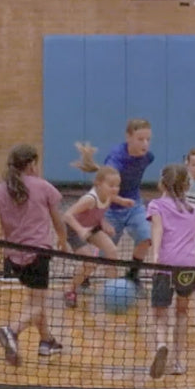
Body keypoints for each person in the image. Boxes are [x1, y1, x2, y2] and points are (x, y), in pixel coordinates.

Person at [0, 144, 68, 367]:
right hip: (38, 253)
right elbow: (58, 220)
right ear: (32, 164)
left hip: (14, 258)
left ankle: (47, 342)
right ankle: (11, 330)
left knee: (35, 299)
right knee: (36, 304)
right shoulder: (44, 187)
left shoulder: (3, 189)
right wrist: (63, 240)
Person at [146, 163, 195, 378]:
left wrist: (155, 255)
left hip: (165, 266)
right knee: (182, 313)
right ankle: (178, 361)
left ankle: (161, 343)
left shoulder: (156, 205)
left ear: (161, 183)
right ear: (186, 186)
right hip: (188, 267)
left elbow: (157, 230)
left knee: (159, 313)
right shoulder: (194, 210)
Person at [72, 119, 155, 283]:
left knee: (145, 239)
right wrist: (120, 200)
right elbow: (103, 189)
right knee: (104, 252)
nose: (145, 143)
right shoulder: (116, 159)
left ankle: (132, 276)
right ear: (128, 137)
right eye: (140, 139)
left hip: (134, 205)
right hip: (111, 209)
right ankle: (83, 279)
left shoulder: (148, 158)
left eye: (148, 139)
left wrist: (128, 200)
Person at [61, 165, 133, 308]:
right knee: (90, 263)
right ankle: (70, 290)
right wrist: (81, 230)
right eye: (111, 185)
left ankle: (113, 291)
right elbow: (67, 215)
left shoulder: (109, 195)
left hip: (92, 227)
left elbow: (111, 200)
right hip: (74, 230)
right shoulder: (90, 199)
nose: (115, 189)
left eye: (117, 186)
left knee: (112, 252)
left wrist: (122, 202)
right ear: (98, 184)